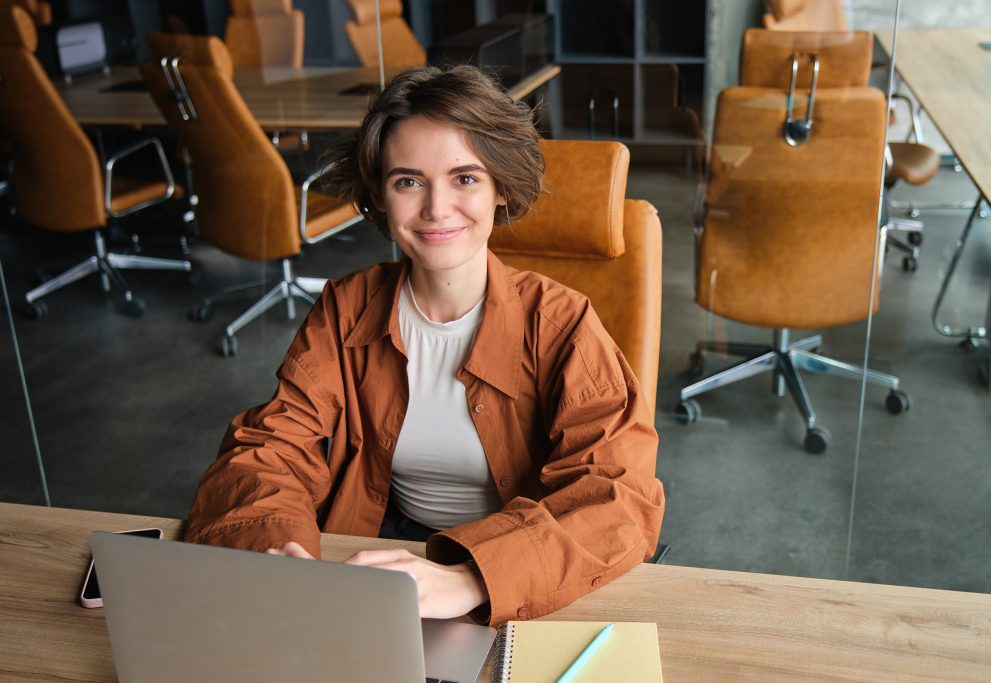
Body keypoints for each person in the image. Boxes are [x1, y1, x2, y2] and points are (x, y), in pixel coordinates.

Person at [184, 65, 665, 626]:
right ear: (382, 197)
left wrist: (468, 579)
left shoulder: (564, 324)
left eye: (465, 178)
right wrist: (274, 548)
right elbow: (271, 449)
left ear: (501, 189)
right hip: (388, 549)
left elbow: (618, 498)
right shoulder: (345, 308)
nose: (437, 209)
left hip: (517, 566)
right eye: (408, 181)